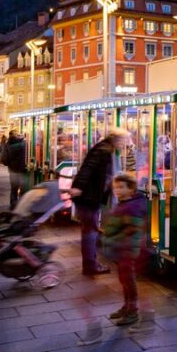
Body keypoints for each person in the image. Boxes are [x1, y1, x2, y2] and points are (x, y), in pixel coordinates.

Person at [69, 129, 130, 276]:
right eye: (124, 140)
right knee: (90, 231)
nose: (125, 144)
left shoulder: (106, 148)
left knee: (90, 230)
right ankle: (90, 266)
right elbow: (87, 167)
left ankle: (91, 263)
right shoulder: (104, 150)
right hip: (88, 196)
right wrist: (78, 187)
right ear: (116, 139)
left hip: (91, 195)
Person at [101, 173, 147, 325]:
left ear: (131, 189)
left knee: (128, 281)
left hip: (126, 250)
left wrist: (115, 241)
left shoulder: (132, 207)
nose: (117, 190)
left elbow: (132, 232)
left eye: (121, 187)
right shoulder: (124, 203)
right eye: (115, 187)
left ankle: (132, 312)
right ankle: (126, 307)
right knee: (124, 280)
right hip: (121, 250)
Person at [3, 130, 29, 209]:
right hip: (22, 170)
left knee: (14, 189)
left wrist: (10, 164)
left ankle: (13, 205)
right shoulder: (24, 144)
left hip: (12, 170)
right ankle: (22, 205)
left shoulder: (7, 145)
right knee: (23, 188)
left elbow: (4, 160)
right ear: (17, 135)